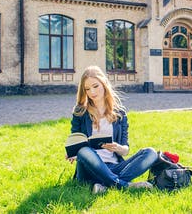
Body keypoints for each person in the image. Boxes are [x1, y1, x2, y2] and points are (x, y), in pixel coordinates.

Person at [67, 66, 158, 194]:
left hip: (114, 166)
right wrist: (73, 151)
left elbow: (125, 150)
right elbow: (75, 140)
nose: (92, 92)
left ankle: (103, 185)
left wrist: (118, 148)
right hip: (89, 169)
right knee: (84, 150)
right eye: (87, 89)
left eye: (95, 86)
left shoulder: (120, 113)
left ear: (104, 84)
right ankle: (123, 185)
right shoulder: (80, 112)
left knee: (150, 153)